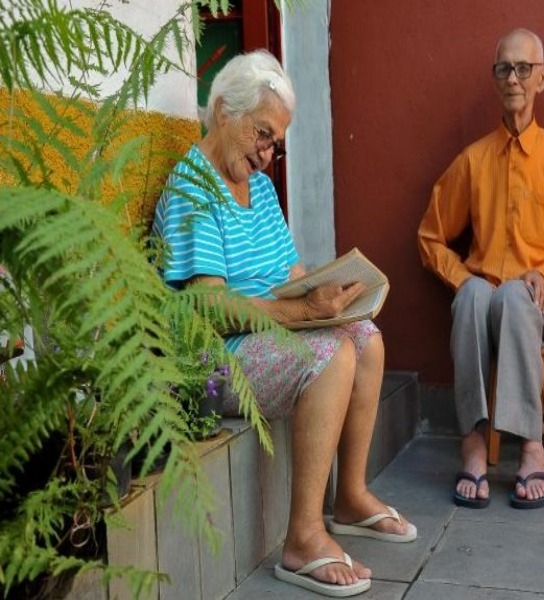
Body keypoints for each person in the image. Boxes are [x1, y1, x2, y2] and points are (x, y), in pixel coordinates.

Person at [152, 50, 416, 598]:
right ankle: (301, 538)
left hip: (264, 336)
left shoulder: (263, 191)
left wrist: (335, 294)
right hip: (214, 356)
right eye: (263, 135)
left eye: (276, 143)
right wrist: (304, 313)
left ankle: (349, 496)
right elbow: (207, 308)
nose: (269, 155)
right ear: (223, 111)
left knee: (364, 338)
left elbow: (288, 273)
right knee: (331, 355)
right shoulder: (193, 186)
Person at [418, 29, 544, 510]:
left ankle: (531, 445)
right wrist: (463, 279)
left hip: (535, 307)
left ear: (542, 79)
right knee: (478, 294)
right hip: (482, 308)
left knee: (517, 295)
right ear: (495, 80)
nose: (513, 78)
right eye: (504, 69)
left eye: (523, 68)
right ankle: (474, 441)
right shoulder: (473, 161)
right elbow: (430, 237)